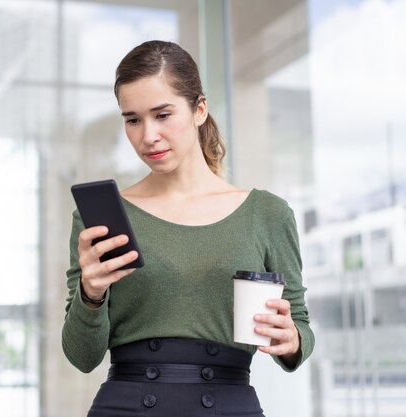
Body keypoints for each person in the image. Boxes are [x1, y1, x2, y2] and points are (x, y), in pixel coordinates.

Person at [61, 40, 314, 417]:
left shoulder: (267, 214)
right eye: (132, 119)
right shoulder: (101, 219)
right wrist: (91, 292)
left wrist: (291, 339)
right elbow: (82, 357)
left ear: (200, 109)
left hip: (230, 405)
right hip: (125, 407)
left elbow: (300, 329)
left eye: (162, 115)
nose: (148, 136)